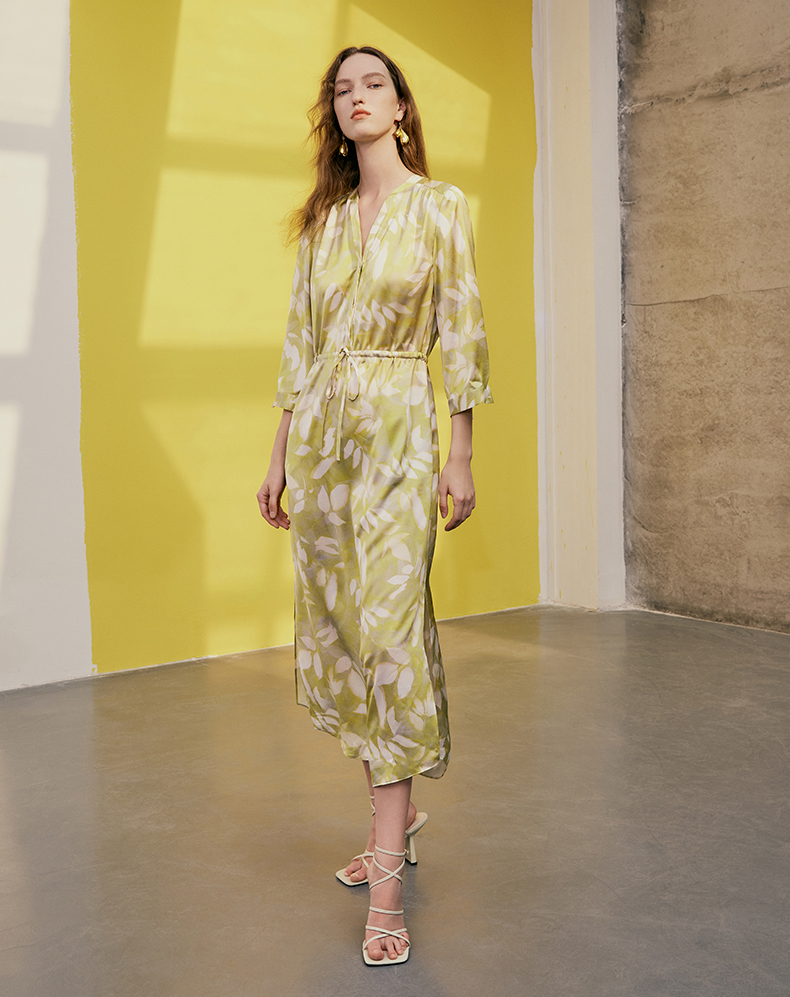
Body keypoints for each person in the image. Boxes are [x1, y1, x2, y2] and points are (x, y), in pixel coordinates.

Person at [256, 45, 492, 965]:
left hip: (398, 432)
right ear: (336, 115)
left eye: (373, 85)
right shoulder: (322, 225)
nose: (357, 98)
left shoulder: (440, 207)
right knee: (352, 636)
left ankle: (386, 885)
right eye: (342, 89)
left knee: (392, 633)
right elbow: (299, 343)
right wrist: (277, 456)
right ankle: (393, 820)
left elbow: (461, 326)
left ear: (400, 107)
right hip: (321, 443)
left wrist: (460, 451)